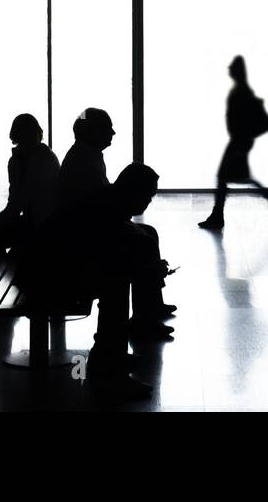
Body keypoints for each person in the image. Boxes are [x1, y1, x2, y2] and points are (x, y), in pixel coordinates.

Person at [19, 162, 164, 402]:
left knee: (117, 276)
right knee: (116, 283)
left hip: (42, 269)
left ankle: (107, 355)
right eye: (148, 196)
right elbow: (108, 257)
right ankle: (110, 371)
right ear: (134, 192)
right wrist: (147, 269)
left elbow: (101, 250)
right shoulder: (109, 209)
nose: (149, 201)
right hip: (46, 278)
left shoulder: (107, 200)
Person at [58, 108, 175, 336]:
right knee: (144, 242)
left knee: (147, 234)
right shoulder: (85, 161)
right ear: (93, 132)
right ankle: (145, 316)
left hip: (86, 231)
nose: (112, 132)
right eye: (107, 128)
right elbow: (97, 211)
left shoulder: (86, 156)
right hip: (85, 238)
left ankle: (149, 309)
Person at [198, 56, 268, 230]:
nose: (228, 70)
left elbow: (244, 121)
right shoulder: (241, 90)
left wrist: (244, 141)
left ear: (237, 70)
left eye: (231, 67)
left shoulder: (242, 91)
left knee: (225, 177)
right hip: (240, 141)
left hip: (239, 142)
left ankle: (218, 216)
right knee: (232, 177)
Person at [0, 113, 60, 275]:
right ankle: (7, 276)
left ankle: (5, 277)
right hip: (43, 224)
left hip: (39, 227)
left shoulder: (26, 161)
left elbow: (16, 204)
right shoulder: (45, 156)